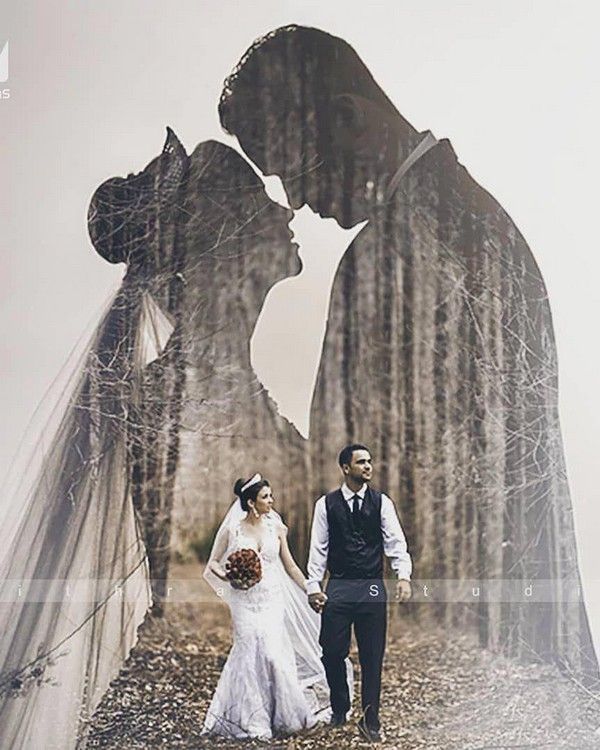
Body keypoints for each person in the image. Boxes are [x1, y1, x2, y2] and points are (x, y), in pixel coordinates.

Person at [218, 24, 599, 686]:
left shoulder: (390, 256)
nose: (300, 201)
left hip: (448, 656)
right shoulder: (479, 219)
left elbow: (350, 486)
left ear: (347, 119)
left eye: (296, 170)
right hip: (515, 643)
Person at [202, 473, 351, 739]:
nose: (271, 501)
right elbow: (212, 562)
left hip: (272, 598)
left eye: (271, 496)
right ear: (250, 503)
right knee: (248, 653)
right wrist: (228, 575)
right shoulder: (232, 529)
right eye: (265, 497)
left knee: (272, 653)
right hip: (244, 601)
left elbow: (291, 565)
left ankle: (283, 714)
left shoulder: (276, 527)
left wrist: (311, 588)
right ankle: (251, 720)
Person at [306, 443, 412, 743]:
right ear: (345, 468)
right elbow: (318, 549)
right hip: (338, 586)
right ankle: (340, 708)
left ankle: (371, 719)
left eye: (369, 461)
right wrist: (314, 586)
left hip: (372, 587)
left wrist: (403, 576)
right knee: (332, 651)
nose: (368, 466)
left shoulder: (382, 503)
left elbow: (395, 543)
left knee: (372, 656)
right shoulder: (325, 505)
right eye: (361, 462)